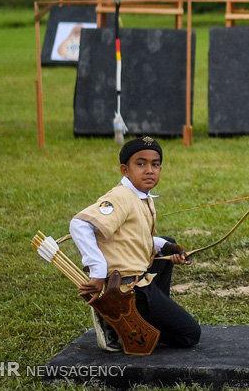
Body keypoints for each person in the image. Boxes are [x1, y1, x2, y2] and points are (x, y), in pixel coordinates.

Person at [70, 136, 201, 352]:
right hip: (125, 288)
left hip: (139, 277)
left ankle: (144, 318)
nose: (149, 170)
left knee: (168, 243)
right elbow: (79, 224)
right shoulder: (121, 196)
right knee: (189, 334)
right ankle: (117, 320)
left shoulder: (142, 196)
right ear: (125, 170)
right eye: (141, 164)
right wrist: (98, 272)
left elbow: (134, 237)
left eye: (155, 164)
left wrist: (172, 250)